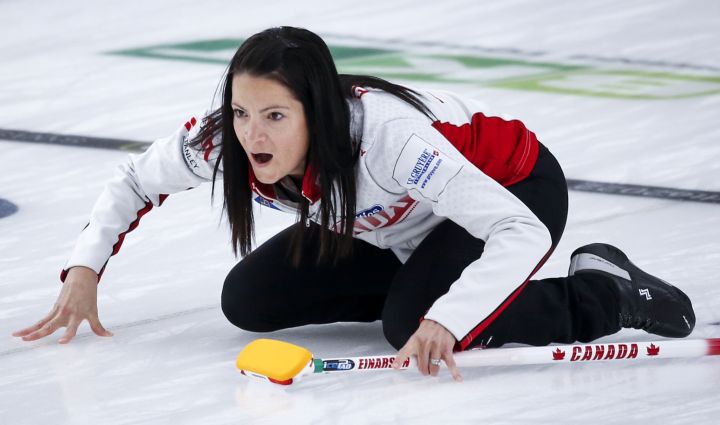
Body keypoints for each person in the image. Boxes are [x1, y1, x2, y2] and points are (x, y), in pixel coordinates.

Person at [13, 27, 695, 381]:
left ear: (318, 114)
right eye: (243, 110)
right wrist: (84, 269)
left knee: (412, 326)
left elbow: (513, 226)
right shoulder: (227, 140)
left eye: (276, 115)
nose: (253, 132)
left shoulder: (392, 141)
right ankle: (421, 286)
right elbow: (134, 179)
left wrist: (446, 316)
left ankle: (604, 294)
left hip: (512, 191)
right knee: (249, 301)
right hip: (400, 227)